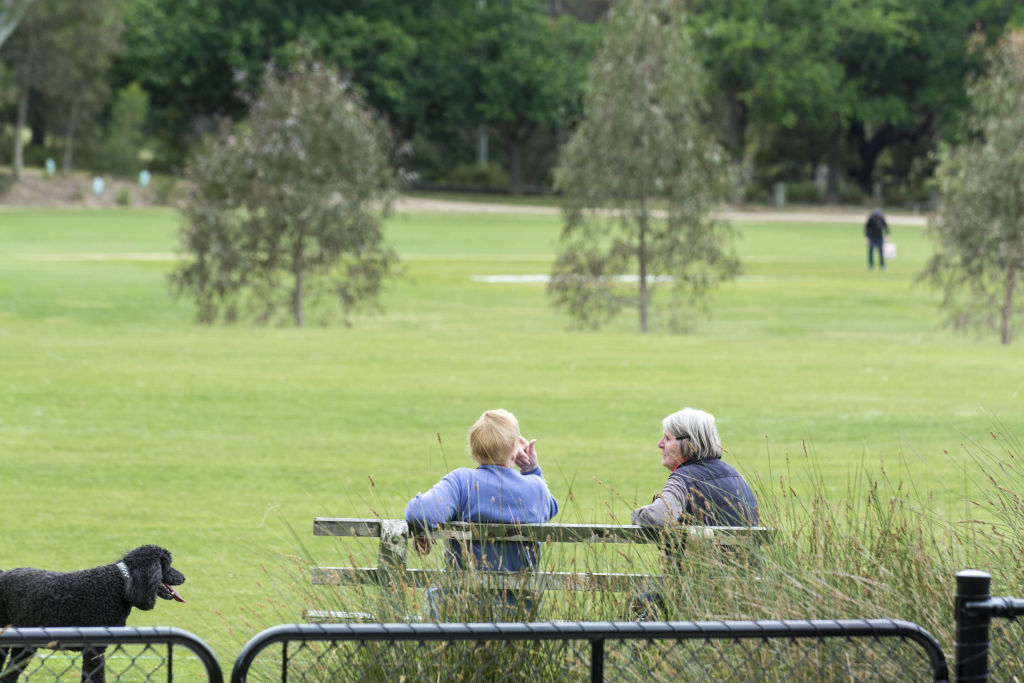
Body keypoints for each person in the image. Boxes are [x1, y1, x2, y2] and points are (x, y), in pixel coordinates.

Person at [404, 408, 559, 620]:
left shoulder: (461, 482)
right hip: (519, 617)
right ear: (515, 448)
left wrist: (423, 530)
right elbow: (551, 508)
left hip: (460, 615)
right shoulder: (535, 489)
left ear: (474, 448)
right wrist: (532, 470)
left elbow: (419, 512)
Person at [630, 407, 758, 619]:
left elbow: (659, 516)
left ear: (688, 443)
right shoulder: (737, 477)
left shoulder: (683, 478)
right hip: (744, 594)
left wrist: (638, 513)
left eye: (667, 438)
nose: (660, 444)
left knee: (641, 601)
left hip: (696, 596)